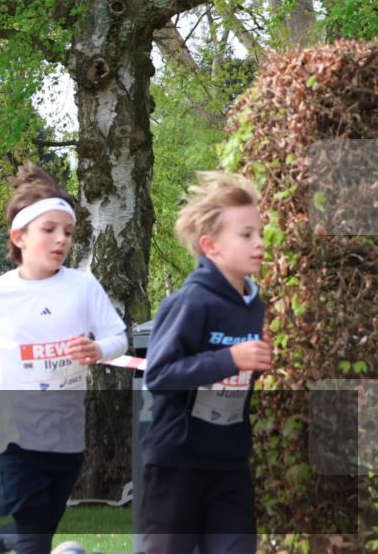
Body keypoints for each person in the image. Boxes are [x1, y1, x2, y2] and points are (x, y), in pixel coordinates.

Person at [0, 162, 127, 554]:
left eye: (67, 232)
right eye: (49, 230)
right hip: (12, 429)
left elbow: (119, 336)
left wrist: (98, 349)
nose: (61, 239)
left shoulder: (83, 287)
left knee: (41, 524)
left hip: (65, 428)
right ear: (20, 237)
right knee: (33, 531)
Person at [140, 172, 270, 554]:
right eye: (246, 235)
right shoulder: (190, 301)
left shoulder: (254, 304)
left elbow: (230, 374)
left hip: (229, 462)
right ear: (210, 246)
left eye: (260, 233)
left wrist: (256, 362)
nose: (260, 243)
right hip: (176, 461)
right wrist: (230, 358)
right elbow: (160, 375)